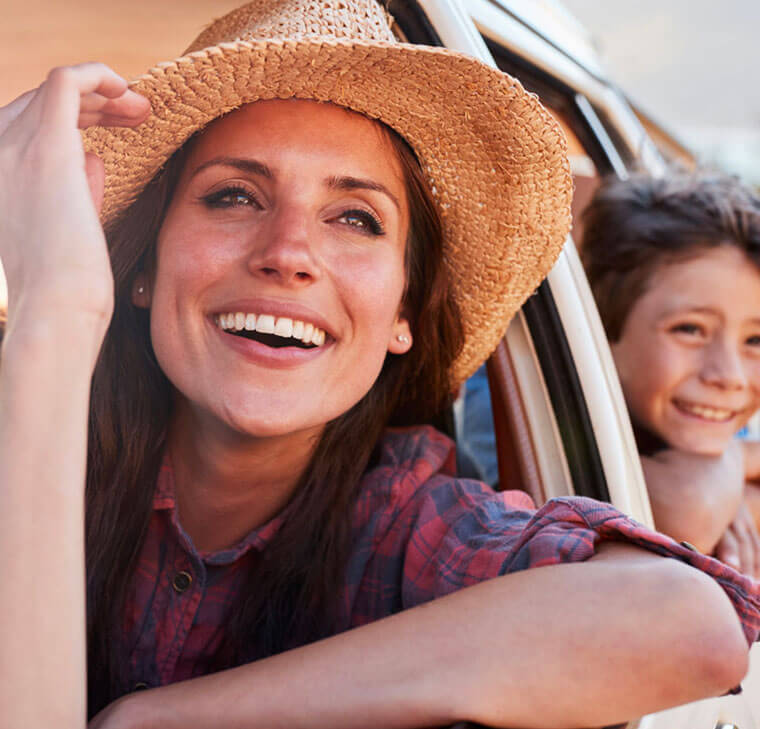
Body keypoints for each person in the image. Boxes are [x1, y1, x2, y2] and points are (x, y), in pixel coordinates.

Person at [0, 3, 758, 728]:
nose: (288, 253)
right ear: (142, 268)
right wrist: (54, 314)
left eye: (355, 218)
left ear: (403, 312)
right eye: (233, 195)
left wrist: (157, 716)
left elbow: (690, 623)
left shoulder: (406, 523)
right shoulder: (34, 425)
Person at [581, 169, 760, 578]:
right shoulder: (568, 431)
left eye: (756, 340)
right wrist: (737, 468)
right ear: (604, 331)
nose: (728, 376)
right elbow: (689, 511)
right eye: (690, 330)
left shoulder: (692, 414)